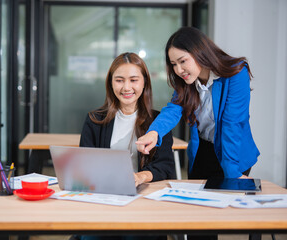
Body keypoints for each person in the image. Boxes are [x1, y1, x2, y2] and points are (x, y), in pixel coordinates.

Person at [135, 27, 260, 240]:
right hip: (204, 152)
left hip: (234, 154)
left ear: (200, 52)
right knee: (199, 222)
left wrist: (232, 173)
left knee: (234, 215)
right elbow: (173, 109)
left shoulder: (235, 73)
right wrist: (153, 133)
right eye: (173, 64)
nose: (179, 69)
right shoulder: (188, 82)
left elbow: (232, 124)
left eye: (183, 61)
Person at [80, 52, 176, 187]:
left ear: (145, 82)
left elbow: (165, 167)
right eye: (119, 80)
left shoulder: (159, 122)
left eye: (133, 80)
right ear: (111, 83)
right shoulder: (94, 120)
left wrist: (140, 177)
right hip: (103, 191)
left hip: (145, 194)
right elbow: (84, 164)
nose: (126, 87)